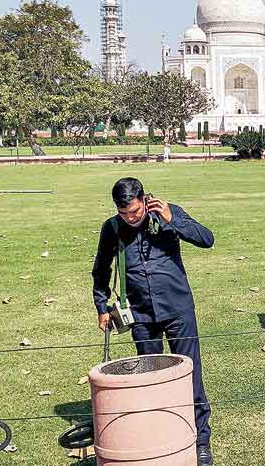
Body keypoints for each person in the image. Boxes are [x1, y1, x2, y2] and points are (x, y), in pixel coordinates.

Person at [92, 177, 216, 465]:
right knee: (150, 381)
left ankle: (201, 441)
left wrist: (174, 220)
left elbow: (207, 239)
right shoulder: (112, 227)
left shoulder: (167, 212)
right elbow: (100, 269)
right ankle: (162, 434)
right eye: (125, 214)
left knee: (189, 377)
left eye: (135, 212)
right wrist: (101, 306)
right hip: (141, 316)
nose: (131, 219)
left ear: (145, 200)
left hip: (177, 309)